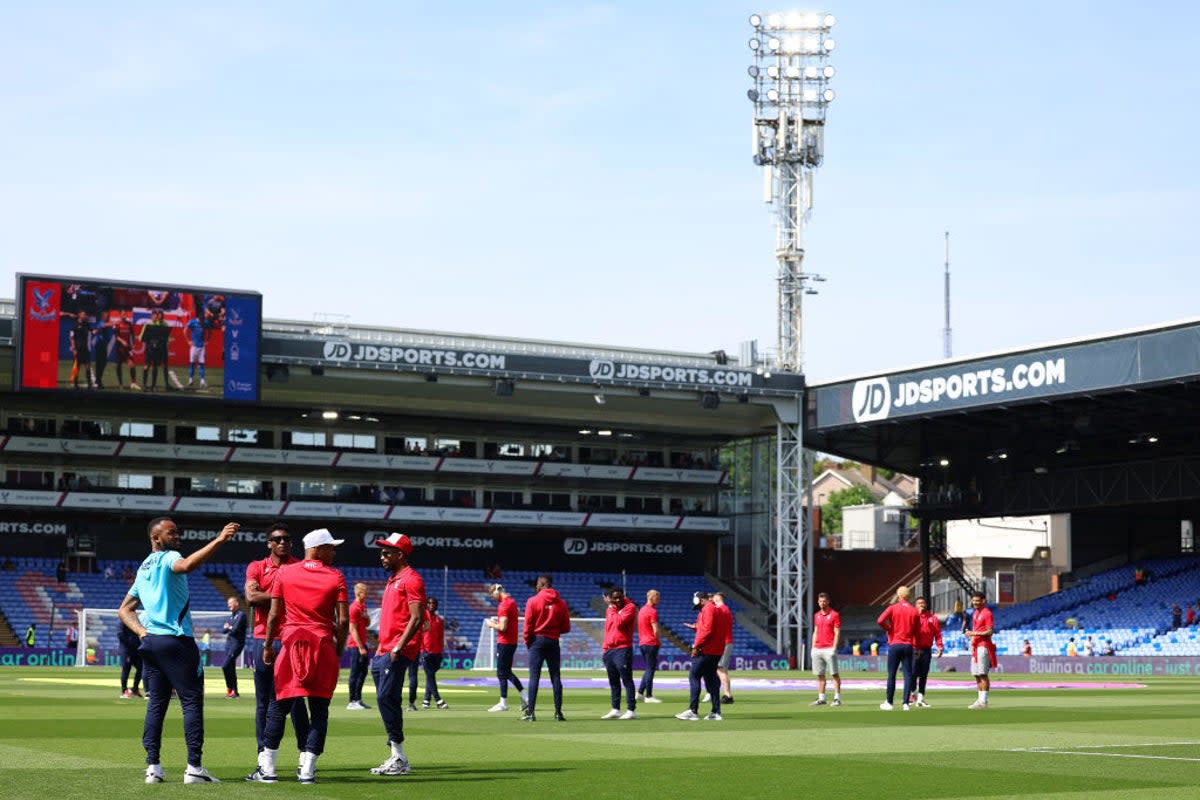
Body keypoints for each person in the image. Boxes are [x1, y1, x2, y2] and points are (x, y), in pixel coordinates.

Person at [118, 516, 238, 784]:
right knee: (192, 702)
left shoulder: (144, 568)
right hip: (177, 640)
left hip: (151, 643)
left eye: (177, 532)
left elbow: (124, 609)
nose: (177, 536)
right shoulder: (169, 557)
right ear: (155, 538)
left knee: (157, 704)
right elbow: (187, 565)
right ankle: (194, 767)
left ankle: (153, 768)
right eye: (171, 533)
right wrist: (219, 539)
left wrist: (141, 632)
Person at [246, 528, 349, 785]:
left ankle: (267, 769)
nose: (333, 552)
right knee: (319, 710)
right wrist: (337, 651)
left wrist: (269, 645)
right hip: (322, 644)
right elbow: (343, 619)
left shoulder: (285, 573)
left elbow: (272, 615)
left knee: (278, 707)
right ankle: (307, 770)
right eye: (330, 547)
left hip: (291, 643)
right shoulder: (336, 576)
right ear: (316, 548)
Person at [245, 522, 311, 760]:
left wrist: (271, 598)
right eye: (277, 539)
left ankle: (305, 753)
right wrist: (285, 597)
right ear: (269, 543)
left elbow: (306, 600)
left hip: (293, 639)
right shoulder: (256, 567)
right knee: (263, 700)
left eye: (287, 539)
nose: (283, 542)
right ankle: (263, 753)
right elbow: (251, 597)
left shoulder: (300, 567)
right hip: (264, 638)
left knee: (296, 698)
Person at [369, 532, 425, 776]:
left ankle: (400, 758)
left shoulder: (411, 579)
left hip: (398, 650)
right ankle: (396, 755)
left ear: (399, 555)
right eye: (381, 552)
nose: (382, 556)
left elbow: (417, 617)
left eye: (386, 552)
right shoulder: (393, 580)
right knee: (388, 700)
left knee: (384, 699)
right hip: (385, 649)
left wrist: (397, 647)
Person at [522, 573, 571, 722]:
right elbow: (566, 627)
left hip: (537, 641)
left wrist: (528, 641)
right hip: (553, 641)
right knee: (555, 676)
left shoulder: (532, 601)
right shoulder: (561, 603)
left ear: (542, 584)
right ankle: (558, 713)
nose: (536, 586)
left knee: (534, 677)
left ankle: (530, 713)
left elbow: (528, 625)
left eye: (537, 584)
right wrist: (554, 631)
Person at [676, 591, 725, 721]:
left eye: (698, 606)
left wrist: (696, 646)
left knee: (694, 675)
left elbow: (708, 630)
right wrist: (696, 627)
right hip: (716, 650)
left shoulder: (708, 609)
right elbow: (713, 629)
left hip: (706, 650)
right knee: (711, 679)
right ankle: (716, 711)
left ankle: (693, 711)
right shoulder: (717, 610)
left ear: (702, 600)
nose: (699, 610)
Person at [484, 583, 527, 712]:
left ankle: (503, 703)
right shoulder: (512, 602)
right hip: (511, 641)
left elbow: (503, 627)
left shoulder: (504, 605)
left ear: (496, 592)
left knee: (501, 673)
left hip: (505, 642)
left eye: (492, 595)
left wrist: (492, 624)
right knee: (507, 672)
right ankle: (526, 697)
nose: (493, 598)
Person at [876, 585, 919, 711]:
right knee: (908, 675)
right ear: (909, 596)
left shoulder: (893, 608)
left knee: (892, 674)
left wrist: (889, 629)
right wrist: (916, 648)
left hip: (895, 644)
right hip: (908, 645)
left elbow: (880, 620)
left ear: (899, 596)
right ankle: (906, 703)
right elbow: (917, 632)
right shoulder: (914, 611)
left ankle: (889, 702)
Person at [600, 586, 637, 720]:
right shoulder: (611, 609)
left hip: (622, 649)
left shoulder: (630, 607)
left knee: (627, 680)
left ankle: (631, 709)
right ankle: (615, 708)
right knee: (613, 681)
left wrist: (611, 607)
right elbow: (608, 628)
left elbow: (619, 623)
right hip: (610, 650)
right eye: (614, 598)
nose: (618, 600)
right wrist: (605, 648)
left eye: (619, 597)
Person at [810, 592, 842, 707]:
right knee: (820, 675)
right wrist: (813, 647)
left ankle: (837, 698)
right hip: (817, 648)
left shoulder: (834, 615)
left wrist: (834, 647)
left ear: (828, 601)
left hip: (829, 648)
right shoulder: (816, 615)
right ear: (818, 602)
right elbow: (816, 631)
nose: (822, 603)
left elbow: (837, 632)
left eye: (824, 601)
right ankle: (821, 698)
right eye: (820, 601)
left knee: (834, 674)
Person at [966, 591, 995, 709]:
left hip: (984, 645)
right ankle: (979, 700)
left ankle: (984, 700)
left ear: (983, 601)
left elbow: (990, 631)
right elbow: (975, 628)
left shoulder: (987, 613)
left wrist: (974, 633)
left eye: (977, 601)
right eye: (973, 600)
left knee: (983, 674)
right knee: (976, 674)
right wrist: (972, 641)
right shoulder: (975, 613)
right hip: (976, 645)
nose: (975, 603)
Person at [911, 596, 943, 708]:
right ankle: (912, 695)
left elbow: (937, 633)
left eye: (923, 603)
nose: (921, 605)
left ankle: (921, 698)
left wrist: (940, 646)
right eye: (919, 603)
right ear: (915, 605)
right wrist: (917, 616)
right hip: (914, 648)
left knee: (924, 674)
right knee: (913, 673)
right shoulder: (913, 617)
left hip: (926, 649)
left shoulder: (932, 618)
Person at [346, 582, 372, 711]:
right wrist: (361, 647)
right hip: (356, 645)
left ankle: (358, 699)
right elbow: (353, 629)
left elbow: (367, 624)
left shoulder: (363, 607)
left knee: (363, 672)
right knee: (355, 673)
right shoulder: (354, 608)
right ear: (358, 593)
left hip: (362, 643)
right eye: (365, 592)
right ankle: (352, 701)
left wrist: (366, 618)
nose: (367, 595)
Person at [636, 589, 663, 704]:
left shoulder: (641, 610)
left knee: (648, 669)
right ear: (651, 598)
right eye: (657, 597)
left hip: (642, 643)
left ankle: (640, 693)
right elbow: (655, 630)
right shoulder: (652, 611)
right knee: (651, 669)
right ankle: (649, 695)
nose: (659, 599)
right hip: (651, 643)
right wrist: (659, 640)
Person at [421, 597, 448, 709]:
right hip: (426, 651)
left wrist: (441, 651)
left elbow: (441, 637)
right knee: (430, 675)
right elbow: (419, 635)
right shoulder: (422, 618)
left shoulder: (439, 620)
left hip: (437, 652)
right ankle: (438, 700)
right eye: (430, 603)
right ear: (426, 604)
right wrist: (422, 649)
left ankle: (426, 700)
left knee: (430, 676)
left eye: (434, 603)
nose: (432, 605)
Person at [710, 593, 735, 705]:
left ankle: (728, 695)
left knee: (720, 670)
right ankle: (724, 694)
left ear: (716, 599)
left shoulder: (722, 610)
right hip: (726, 642)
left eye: (713, 599)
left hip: (724, 643)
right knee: (721, 670)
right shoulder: (726, 610)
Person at [222, 595, 247, 699]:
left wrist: (229, 627)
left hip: (236, 644)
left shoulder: (241, 615)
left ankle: (231, 689)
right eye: (228, 603)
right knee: (230, 667)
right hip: (229, 644)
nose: (228, 605)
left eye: (230, 603)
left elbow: (235, 629)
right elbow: (224, 630)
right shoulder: (231, 616)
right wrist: (229, 627)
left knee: (225, 665)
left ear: (236, 603)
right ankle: (234, 692)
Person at [118, 618, 144, 698]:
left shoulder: (135, 622)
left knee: (141, 668)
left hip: (136, 649)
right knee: (126, 669)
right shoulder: (123, 623)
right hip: (127, 650)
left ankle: (135, 689)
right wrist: (130, 644)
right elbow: (120, 635)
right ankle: (124, 691)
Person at [112, 312, 137, 389]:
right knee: (118, 366)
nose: (124, 316)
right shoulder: (117, 324)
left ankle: (133, 383)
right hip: (120, 349)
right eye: (123, 314)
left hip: (127, 349)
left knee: (132, 365)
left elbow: (132, 335)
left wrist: (133, 343)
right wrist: (122, 341)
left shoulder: (129, 324)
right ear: (120, 315)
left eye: (125, 314)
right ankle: (120, 384)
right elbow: (116, 336)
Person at [185, 311, 210, 388]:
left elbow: (210, 331)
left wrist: (207, 340)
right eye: (201, 319)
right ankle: (190, 380)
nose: (202, 321)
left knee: (201, 364)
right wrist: (188, 340)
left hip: (202, 347)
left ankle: (202, 381)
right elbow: (185, 330)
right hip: (194, 347)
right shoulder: (192, 322)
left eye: (203, 319)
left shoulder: (205, 322)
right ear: (198, 318)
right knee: (192, 363)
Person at [69, 311, 93, 389]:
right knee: (77, 367)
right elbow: (72, 338)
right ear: (79, 315)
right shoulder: (75, 325)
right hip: (78, 349)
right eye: (83, 314)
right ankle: (76, 384)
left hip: (85, 349)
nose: (85, 316)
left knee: (88, 366)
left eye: (85, 314)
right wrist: (74, 349)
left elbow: (92, 331)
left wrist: (100, 328)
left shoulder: (86, 324)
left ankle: (89, 384)